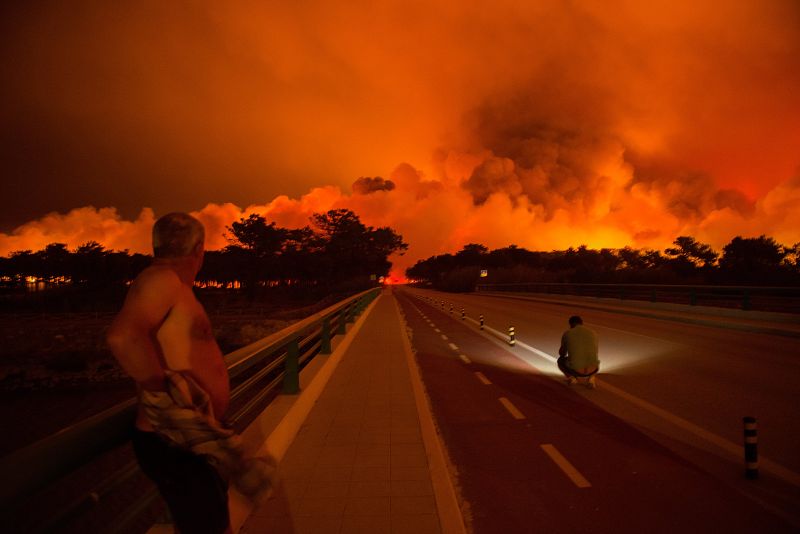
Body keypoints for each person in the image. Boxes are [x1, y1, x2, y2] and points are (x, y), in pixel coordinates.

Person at [107, 212, 273, 534]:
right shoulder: (162, 280)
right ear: (200, 249)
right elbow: (122, 337)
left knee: (210, 521)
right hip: (175, 439)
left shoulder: (172, 285)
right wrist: (163, 391)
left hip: (192, 435)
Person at [558, 315, 599, 389]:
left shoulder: (567, 333)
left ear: (570, 324)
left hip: (577, 370)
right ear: (581, 323)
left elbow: (562, 353)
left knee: (560, 360)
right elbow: (596, 352)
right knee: (593, 360)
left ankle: (572, 378)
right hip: (594, 369)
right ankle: (591, 379)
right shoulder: (593, 333)